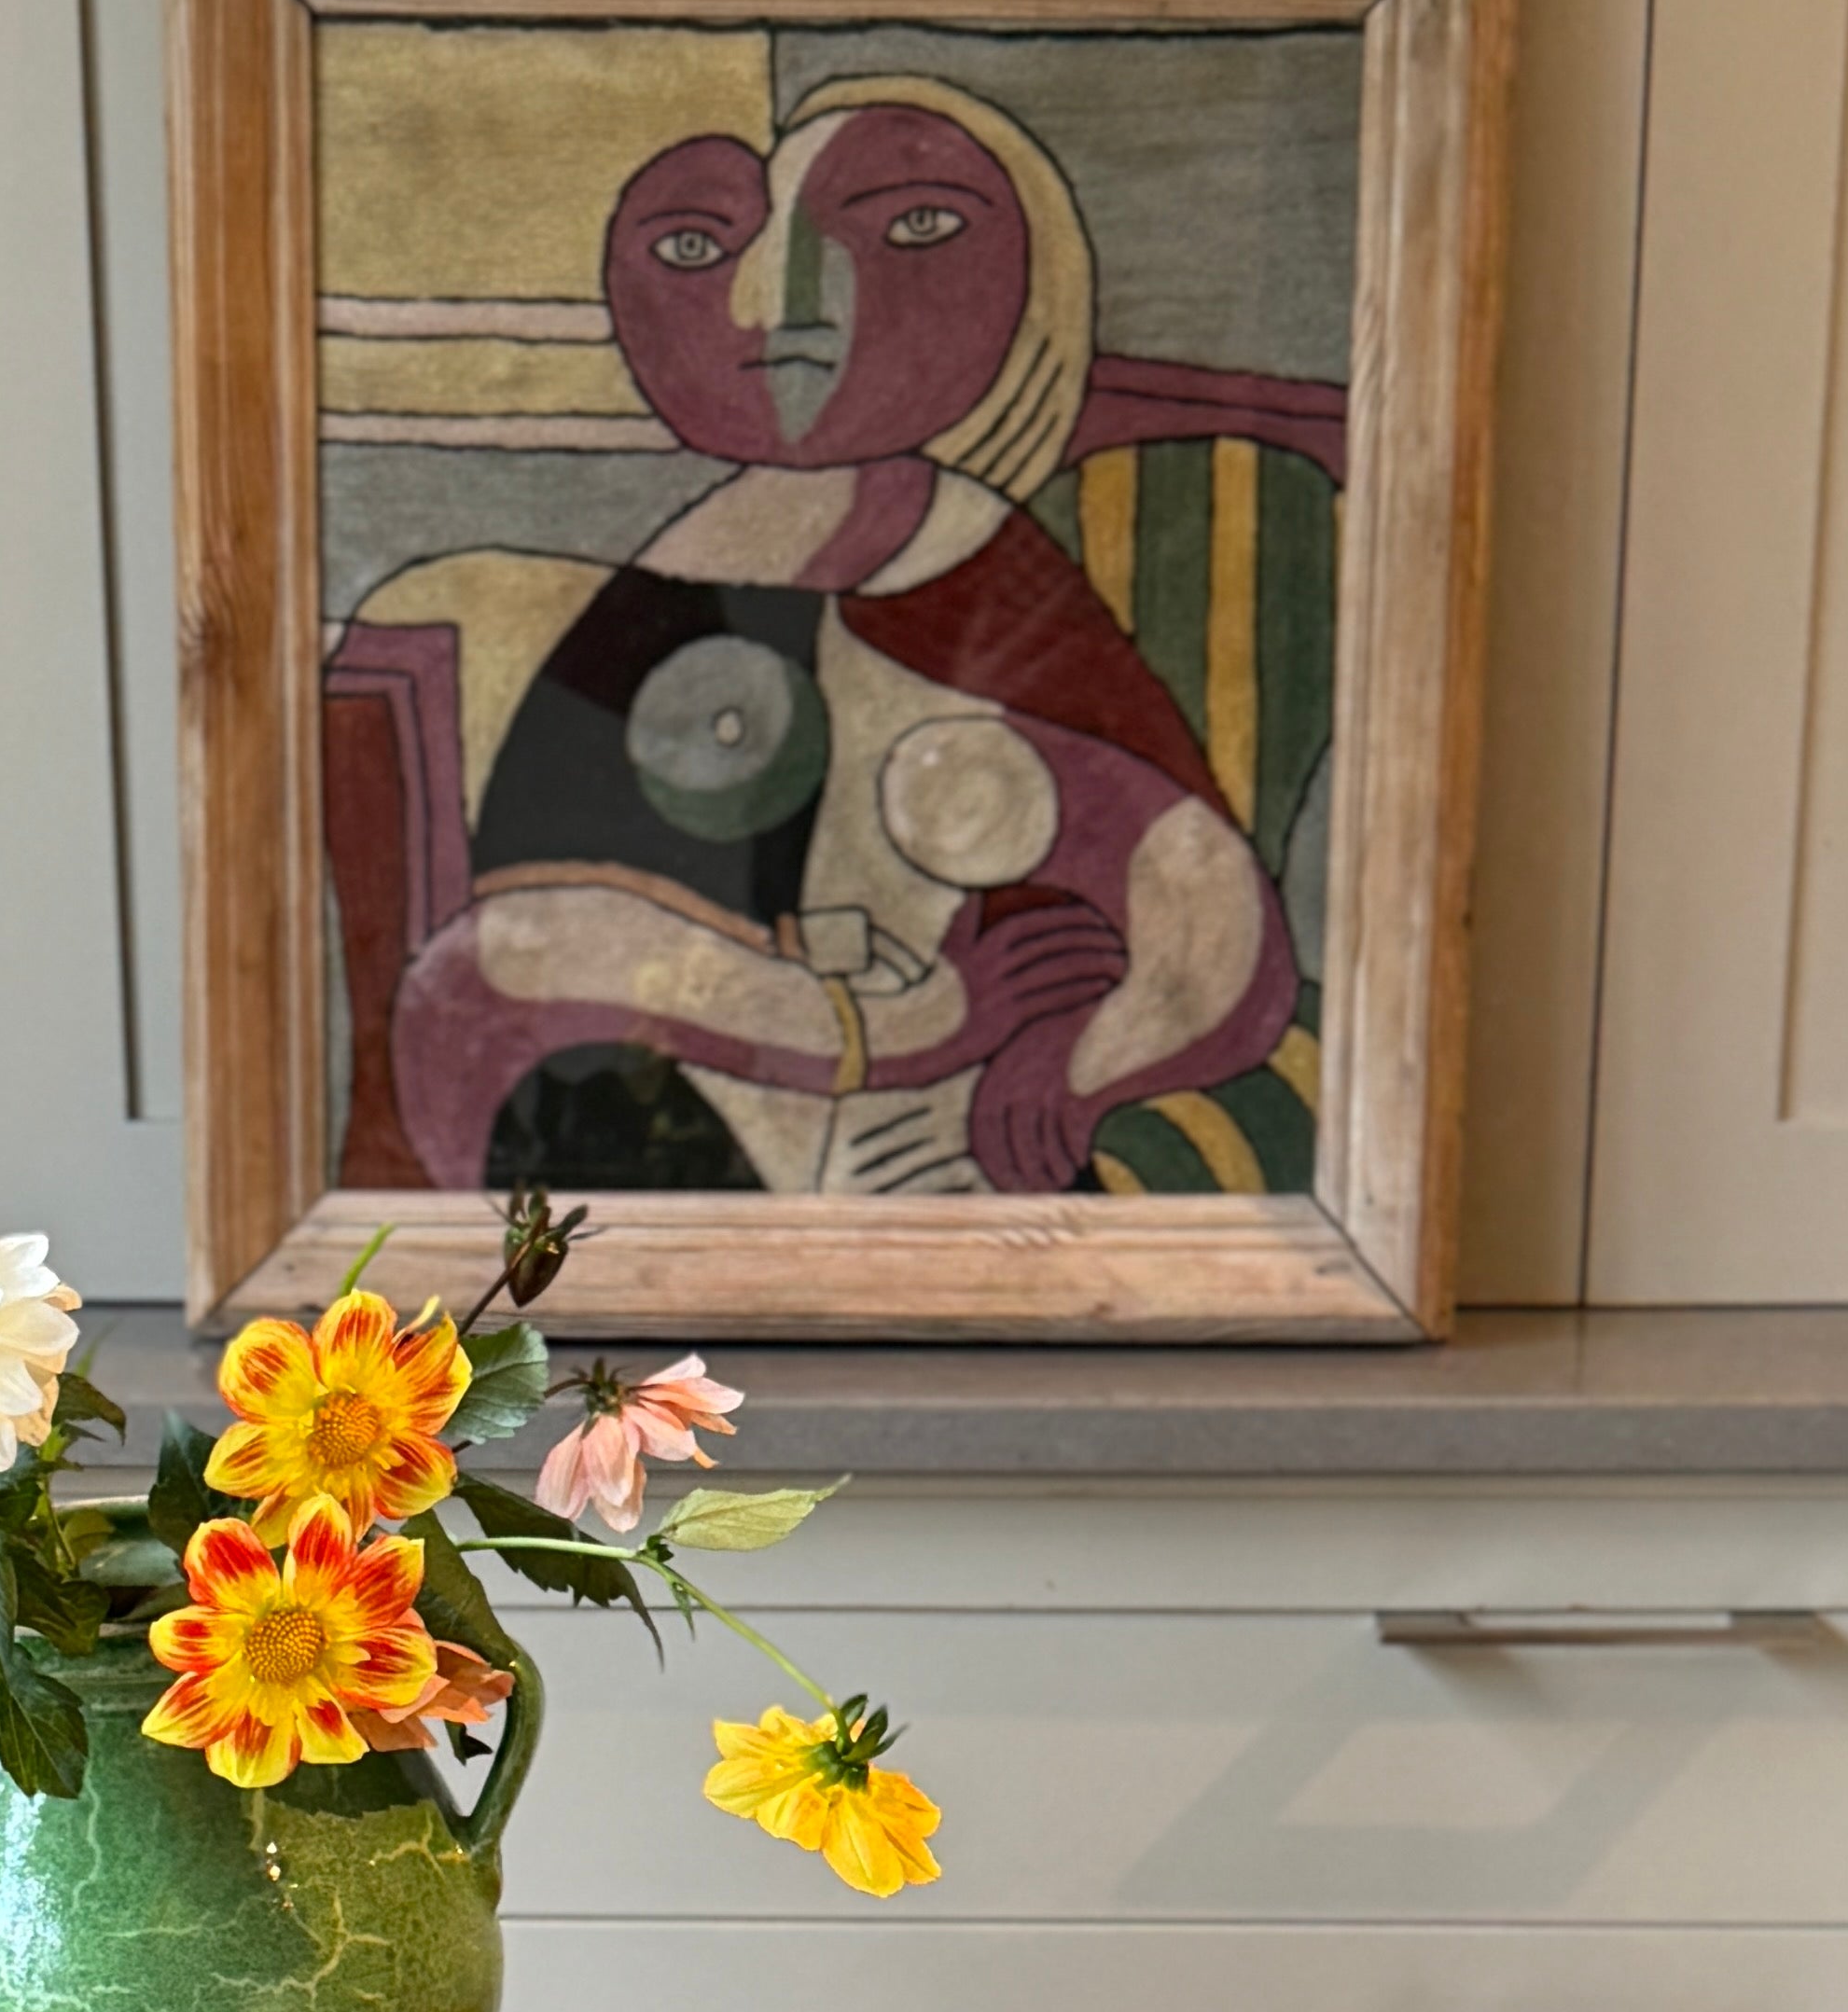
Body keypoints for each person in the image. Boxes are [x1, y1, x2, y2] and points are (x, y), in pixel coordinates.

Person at [354, 78, 1297, 1200]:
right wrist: (897, 1023)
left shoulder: (981, 571)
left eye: (914, 229)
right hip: (690, 1107)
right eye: (700, 246)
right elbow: (521, 956)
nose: (781, 304)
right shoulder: (680, 577)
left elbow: (1200, 908)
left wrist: (1079, 1062)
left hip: (934, 1147)